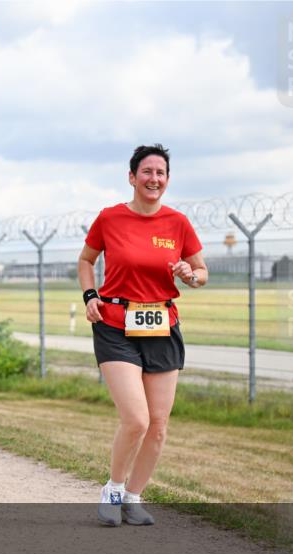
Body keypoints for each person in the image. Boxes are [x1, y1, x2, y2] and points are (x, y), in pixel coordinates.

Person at [78, 144, 208, 527]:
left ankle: (134, 498)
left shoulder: (178, 223)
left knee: (159, 424)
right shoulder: (110, 218)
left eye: (161, 173)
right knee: (136, 419)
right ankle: (113, 489)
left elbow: (202, 272)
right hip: (115, 323)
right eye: (147, 172)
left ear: (167, 180)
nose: (154, 179)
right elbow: (86, 260)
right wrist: (90, 296)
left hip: (162, 325)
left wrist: (190, 275)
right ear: (132, 177)